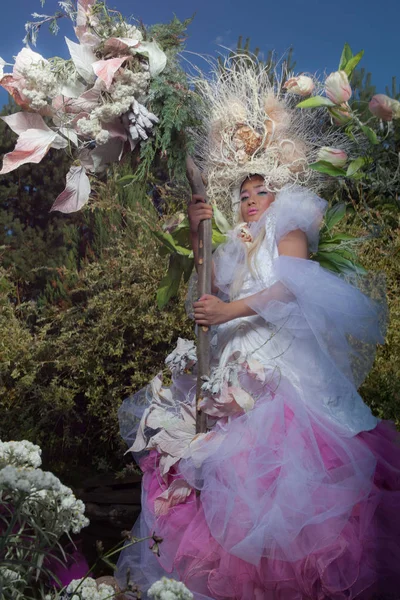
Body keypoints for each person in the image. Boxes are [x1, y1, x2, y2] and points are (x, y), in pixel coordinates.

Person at [116, 60, 400, 599]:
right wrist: (200, 237)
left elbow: (289, 288)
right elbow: (210, 296)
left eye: (260, 192)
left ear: (278, 193)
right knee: (221, 471)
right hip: (232, 359)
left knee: (285, 472)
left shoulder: (288, 224)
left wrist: (229, 311)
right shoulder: (236, 240)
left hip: (281, 360)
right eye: (243, 194)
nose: (250, 201)